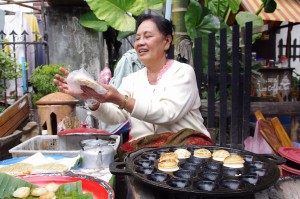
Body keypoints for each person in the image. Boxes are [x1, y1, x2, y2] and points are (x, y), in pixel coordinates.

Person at [54, 14, 213, 159]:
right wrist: (89, 97)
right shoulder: (132, 79)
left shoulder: (182, 72)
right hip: (146, 153)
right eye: (137, 38)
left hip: (185, 150)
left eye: (148, 36)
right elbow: (115, 116)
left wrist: (122, 100)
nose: (140, 42)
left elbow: (167, 113)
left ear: (166, 41)